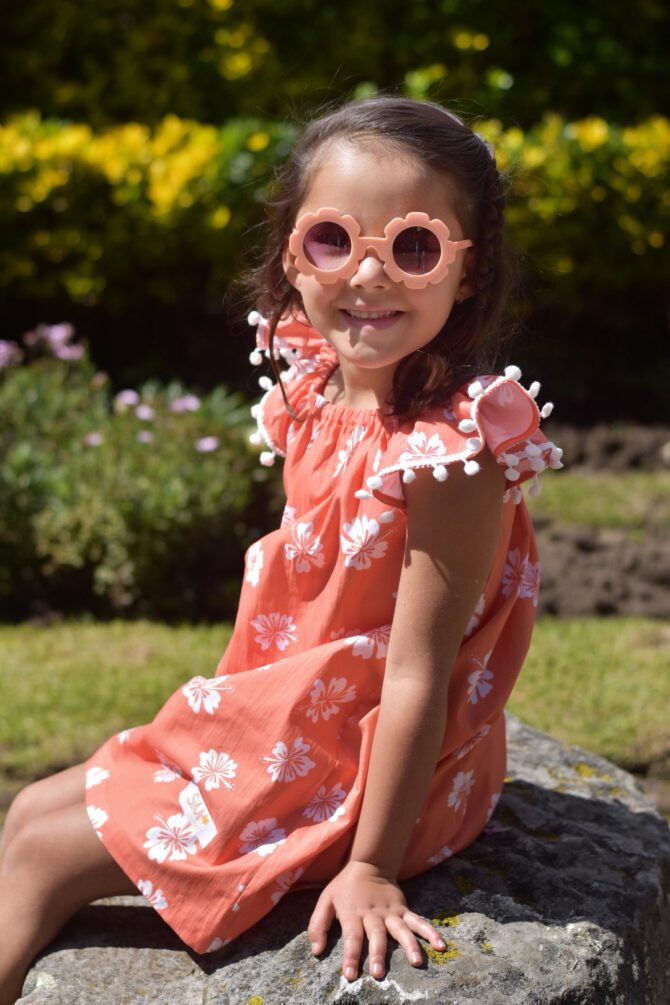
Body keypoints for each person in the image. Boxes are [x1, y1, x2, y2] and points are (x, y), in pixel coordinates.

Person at [0, 95, 562, 1002]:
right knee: (26, 812)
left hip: (370, 773)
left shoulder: (452, 454)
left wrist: (373, 865)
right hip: (295, 718)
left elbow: (420, 672)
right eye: (333, 239)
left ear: (468, 272)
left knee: (41, 860)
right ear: (291, 256)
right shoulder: (318, 391)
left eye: (412, 246)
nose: (367, 277)